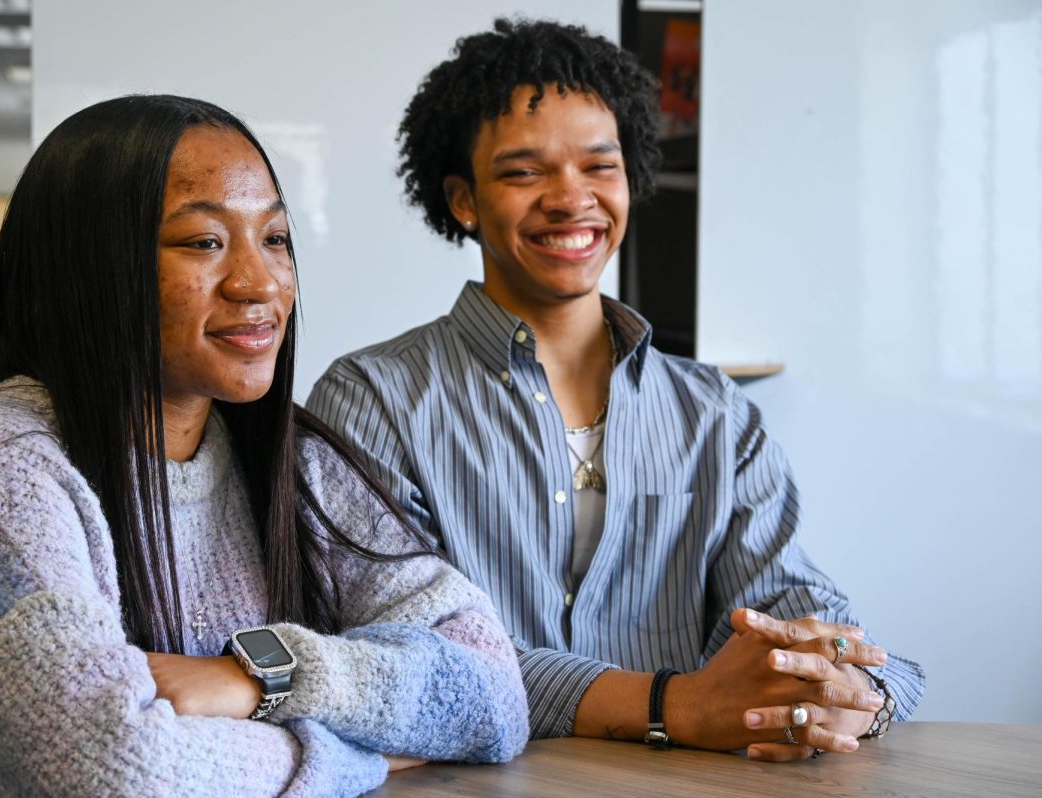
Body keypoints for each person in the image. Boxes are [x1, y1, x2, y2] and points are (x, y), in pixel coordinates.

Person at [0, 95, 528, 797]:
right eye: (205, 243)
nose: (259, 282)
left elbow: (490, 691)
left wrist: (261, 679)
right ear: (88, 267)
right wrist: (354, 757)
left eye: (274, 239)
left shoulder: (294, 460)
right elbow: (118, 767)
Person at [307, 18, 924, 762]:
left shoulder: (716, 415)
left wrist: (852, 694)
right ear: (462, 199)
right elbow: (404, 657)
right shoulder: (371, 398)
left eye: (600, 166)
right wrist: (675, 704)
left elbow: (801, 612)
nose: (572, 200)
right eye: (524, 172)